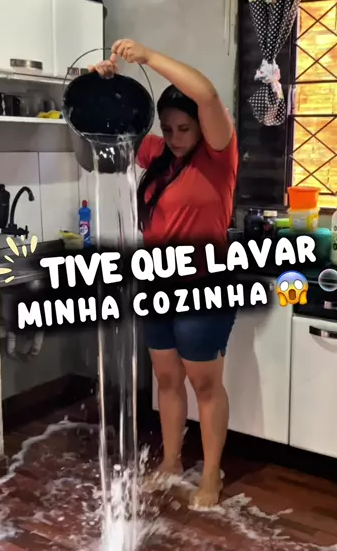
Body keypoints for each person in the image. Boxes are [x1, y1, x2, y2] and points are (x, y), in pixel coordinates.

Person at [92, 39, 238, 508]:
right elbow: (104, 130)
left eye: (184, 129)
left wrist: (150, 58)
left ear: (201, 127)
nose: (175, 137)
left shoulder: (218, 156)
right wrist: (105, 85)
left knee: (205, 385)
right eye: (168, 128)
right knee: (167, 380)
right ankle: (172, 462)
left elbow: (207, 94)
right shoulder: (156, 154)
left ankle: (211, 475)